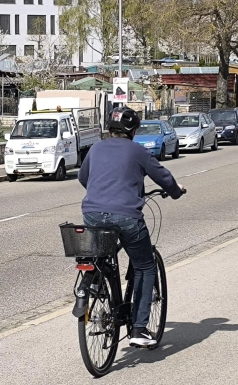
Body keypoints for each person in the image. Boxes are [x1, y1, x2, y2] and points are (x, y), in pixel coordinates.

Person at [78, 107, 184, 347]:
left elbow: (84, 178)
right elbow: (163, 177)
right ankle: (138, 328)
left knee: (102, 255)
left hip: (92, 214)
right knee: (146, 266)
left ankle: (96, 281)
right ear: (133, 131)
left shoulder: (95, 148)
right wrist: (176, 192)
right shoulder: (138, 151)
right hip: (126, 216)